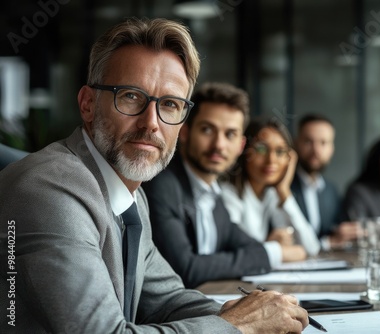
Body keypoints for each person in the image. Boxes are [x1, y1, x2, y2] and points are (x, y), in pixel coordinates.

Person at [0, 18, 308, 333]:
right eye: (131, 96)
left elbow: (166, 300)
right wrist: (238, 325)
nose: (151, 123)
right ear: (88, 104)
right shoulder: (51, 191)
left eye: (170, 104)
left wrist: (248, 314)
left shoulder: (131, 196)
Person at [142, 83, 311, 289]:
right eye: (207, 130)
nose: (219, 145)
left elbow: (251, 247)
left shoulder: (214, 197)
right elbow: (186, 269)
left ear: (240, 145)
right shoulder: (163, 185)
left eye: (230, 134)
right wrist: (276, 252)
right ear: (184, 132)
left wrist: (270, 250)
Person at [221, 116, 320, 257]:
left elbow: (311, 248)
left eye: (280, 152)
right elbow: (231, 253)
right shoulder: (228, 194)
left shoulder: (271, 194)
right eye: (261, 149)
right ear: (244, 151)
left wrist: (284, 191)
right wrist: (268, 245)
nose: (271, 160)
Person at [291, 114, 358, 249]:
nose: (316, 150)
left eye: (323, 143)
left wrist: (342, 232)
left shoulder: (331, 190)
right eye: (308, 141)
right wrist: (327, 243)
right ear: (296, 144)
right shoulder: (283, 188)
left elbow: (332, 231)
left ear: (331, 149)